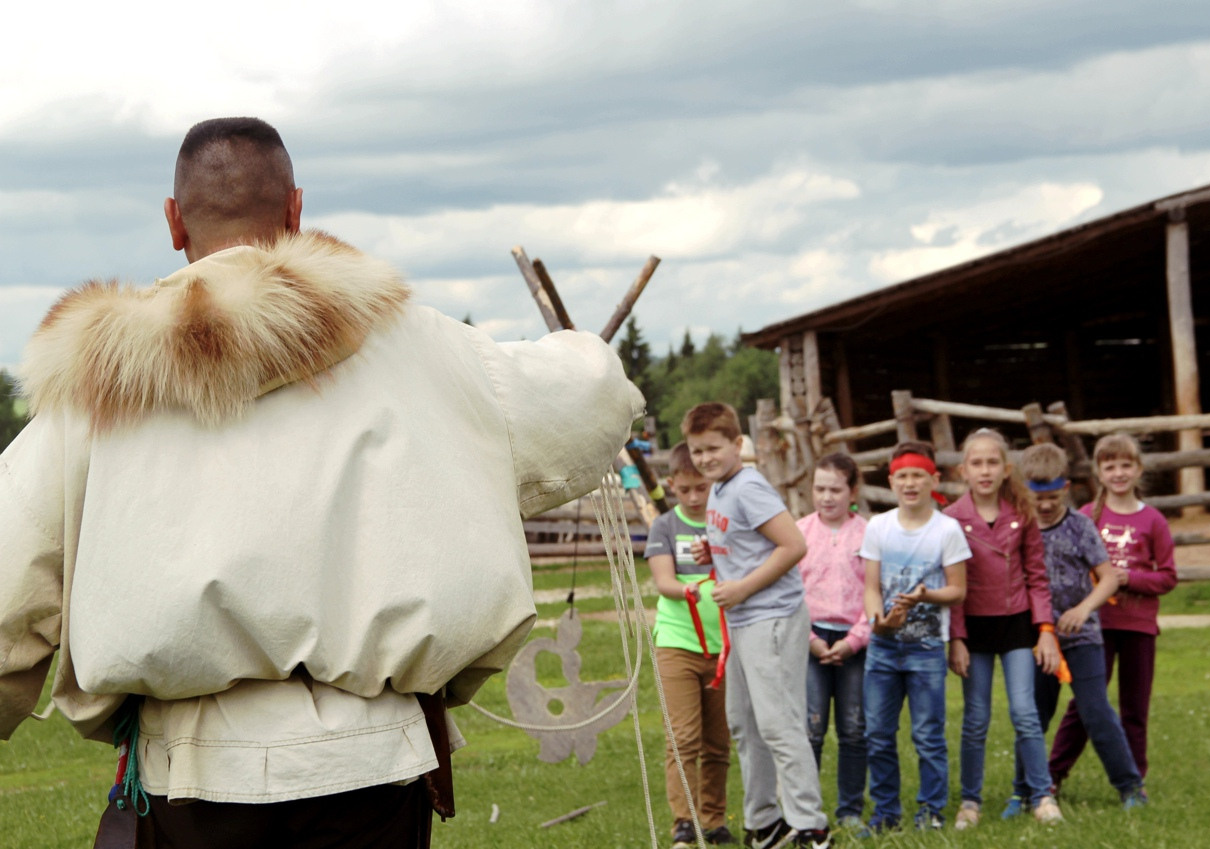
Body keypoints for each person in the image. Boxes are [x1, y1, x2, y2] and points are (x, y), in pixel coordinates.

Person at [0, 117, 643, 848]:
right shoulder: (420, 345)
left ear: (174, 222)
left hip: (191, 783)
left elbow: (8, 581)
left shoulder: (96, 388)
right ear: (296, 210)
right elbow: (588, 392)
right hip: (377, 774)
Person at [682, 402, 829, 849]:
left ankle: (811, 827)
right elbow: (749, 541)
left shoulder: (748, 487)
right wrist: (718, 552)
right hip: (743, 621)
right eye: (696, 450)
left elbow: (793, 545)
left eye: (713, 448)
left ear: (737, 444)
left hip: (772, 618)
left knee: (779, 723)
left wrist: (743, 587)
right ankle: (765, 821)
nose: (705, 458)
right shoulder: (719, 489)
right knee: (744, 723)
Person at [1014, 444, 1147, 810]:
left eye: (1053, 497)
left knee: (1095, 710)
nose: (1044, 506)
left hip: (1081, 636)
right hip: (1038, 639)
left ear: (1067, 488)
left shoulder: (1080, 526)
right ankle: (1024, 791)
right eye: (1036, 498)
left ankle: (1130, 787)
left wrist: (1084, 608)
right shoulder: (1018, 528)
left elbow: (1107, 579)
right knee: (1033, 715)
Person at [944, 429, 1063, 828]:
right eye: (976, 463)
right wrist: (956, 638)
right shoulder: (950, 520)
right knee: (975, 717)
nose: (984, 470)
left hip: (1016, 624)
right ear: (963, 470)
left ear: (1006, 469)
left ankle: (1042, 796)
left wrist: (1045, 628)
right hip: (973, 627)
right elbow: (952, 586)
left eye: (992, 462)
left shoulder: (1023, 512)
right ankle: (970, 803)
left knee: (1025, 712)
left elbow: (1037, 575)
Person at [1049, 434, 1177, 791]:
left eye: (1126, 465)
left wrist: (1130, 578)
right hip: (1094, 626)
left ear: (1138, 470)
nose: (1118, 473)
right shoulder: (1088, 515)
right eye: (1110, 466)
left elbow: (1167, 576)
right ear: (1099, 473)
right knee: (1087, 704)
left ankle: (1135, 780)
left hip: (1138, 626)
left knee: (1134, 708)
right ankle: (1053, 774)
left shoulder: (1153, 520)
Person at [860, 441, 968, 833]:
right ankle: (886, 812)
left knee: (927, 734)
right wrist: (879, 618)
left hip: (925, 648)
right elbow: (871, 586)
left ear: (933, 480)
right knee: (877, 734)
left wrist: (927, 595)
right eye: (902, 476)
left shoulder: (947, 530)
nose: (910, 483)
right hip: (883, 646)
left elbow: (957, 590)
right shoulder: (878, 527)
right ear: (891, 482)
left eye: (918, 476)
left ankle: (932, 811)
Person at [643, 442, 734, 848]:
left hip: (725, 646)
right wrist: (688, 590)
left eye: (702, 489)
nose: (695, 498)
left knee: (719, 741)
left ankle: (714, 820)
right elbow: (664, 581)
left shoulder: (726, 522)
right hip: (678, 643)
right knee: (683, 738)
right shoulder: (665, 526)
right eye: (686, 490)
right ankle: (684, 820)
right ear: (672, 486)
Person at [795, 453, 871, 836]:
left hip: (855, 643)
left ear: (852, 491)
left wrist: (855, 641)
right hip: (810, 641)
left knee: (855, 727)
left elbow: (877, 594)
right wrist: (809, 639)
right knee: (811, 728)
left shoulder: (869, 534)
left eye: (835, 489)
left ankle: (850, 808)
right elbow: (791, 593)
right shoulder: (798, 533)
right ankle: (805, 809)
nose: (827, 497)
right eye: (820, 488)